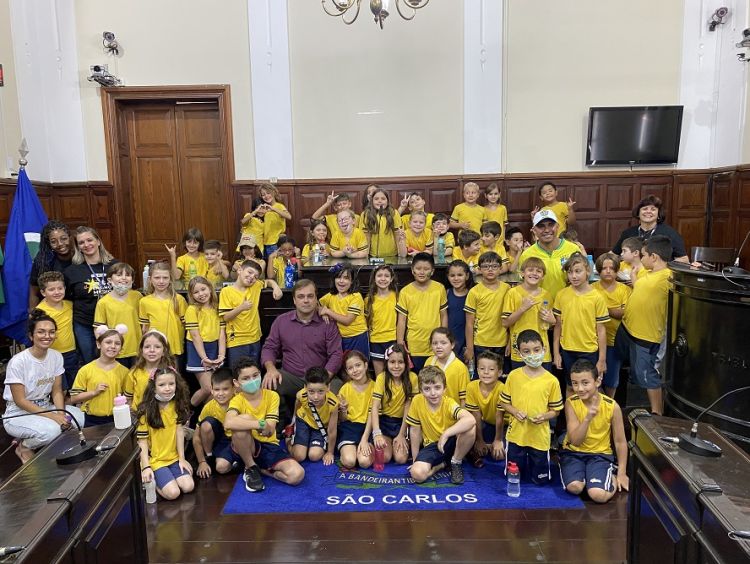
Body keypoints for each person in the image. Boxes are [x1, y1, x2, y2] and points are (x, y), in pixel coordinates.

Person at [2, 310, 85, 463]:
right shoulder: (18, 361)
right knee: (51, 431)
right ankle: (25, 446)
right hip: (18, 412)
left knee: (79, 418)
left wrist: (60, 413)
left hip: (46, 405)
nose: (47, 336)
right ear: (31, 336)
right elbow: (20, 401)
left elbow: (57, 391)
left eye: (51, 332)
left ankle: (54, 450)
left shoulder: (56, 356)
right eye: (41, 332)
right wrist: (54, 417)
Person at [261, 279, 343, 426]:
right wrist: (271, 369)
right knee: (270, 383)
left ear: (316, 299)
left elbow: (336, 355)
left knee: (338, 391)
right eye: (301, 296)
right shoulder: (281, 321)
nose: (306, 300)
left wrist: (322, 381)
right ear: (294, 300)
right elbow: (269, 347)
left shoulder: (328, 323)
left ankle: (326, 436)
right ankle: (282, 430)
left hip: (323, 377)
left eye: (310, 296)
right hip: (292, 377)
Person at [225, 357, 304, 492]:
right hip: (245, 444)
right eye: (246, 378)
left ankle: (260, 469)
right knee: (242, 424)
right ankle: (250, 467)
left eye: (255, 376)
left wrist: (260, 425)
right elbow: (228, 422)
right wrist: (257, 424)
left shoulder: (272, 396)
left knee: (297, 475)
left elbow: (269, 430)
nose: (252, 381)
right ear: (236, 383)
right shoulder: (237, 400)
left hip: (269, 445)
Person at [615, 235, 673, 415]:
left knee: (646, 375)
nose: (642, 258)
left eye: (644, 255)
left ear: (654, 257)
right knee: (623, 363)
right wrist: (633, 276)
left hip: (645, 336)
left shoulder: (667, 277)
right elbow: (640, 283)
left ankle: (657, 413)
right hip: (627, 328)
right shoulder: (647, 272)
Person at [499, 329, 564, 485]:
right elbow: (503, 402)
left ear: (544, 349)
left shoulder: (551, 380)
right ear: (520, 354)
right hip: (516, 435)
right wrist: (514, 411)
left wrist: (544, 416)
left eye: (536, 350)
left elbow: (556, 410)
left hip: (539, 436)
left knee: (540, 481)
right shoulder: (513, 376)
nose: (533, 355)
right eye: (526, 351)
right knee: (513, 477)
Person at [560, 359, 629, 503]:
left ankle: (611, 476)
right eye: (575, 383)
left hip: (600, 455)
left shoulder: (612, 406)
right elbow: (575, 441)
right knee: (575, 487)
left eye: (585, 383)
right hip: (573, 452)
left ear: (597, 381)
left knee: (597, 495)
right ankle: (585, 476)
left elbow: (620, 441)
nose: (579, 388)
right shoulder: (571, 403)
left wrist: (622, 473)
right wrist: (587, 418)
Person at [406, 365, 476, 485]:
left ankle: (455, 462)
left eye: (437, 388)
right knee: (417, 474)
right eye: (427, 389)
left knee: (470, 428)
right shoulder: (417, 401)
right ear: (421, 390)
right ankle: (441, 465)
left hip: (451, 442)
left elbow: (470, 419)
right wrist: (415, 459)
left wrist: (446, 434)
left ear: (444, 389)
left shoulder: (448, 403)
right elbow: (414, 431)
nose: (433, 393)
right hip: (432, 446)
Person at [553, 253, 609, 391]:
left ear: (588, 271)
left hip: (589, 350)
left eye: (578, 271)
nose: (573, 276)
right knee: (571, 386)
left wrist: (602, 360)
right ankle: (571, 413)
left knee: (591, 388)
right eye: (570, 272)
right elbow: (558, 326)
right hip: (567, 349)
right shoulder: (562, 295)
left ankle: (590, 413)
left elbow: (601, 330)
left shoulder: (597, 297)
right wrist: (556, 353)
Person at [137, 368, 195, 501]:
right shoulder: (146, 411)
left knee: (189, 486)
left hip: (173, 458)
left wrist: (182, 458)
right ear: (154, 387)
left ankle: (168, 477)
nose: (167, 388)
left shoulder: (178, 405)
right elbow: (142, 442)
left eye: (171, 384)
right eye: (162, 385)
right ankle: (150, 483)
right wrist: (146, 467)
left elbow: (180, 433)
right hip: (156, 461)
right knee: (173, 493)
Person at [64, 226, 118, 364]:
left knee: (115, 360)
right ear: (78, 247)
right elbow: (67, 298)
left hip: (113, 322)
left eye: (90, 240)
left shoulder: (116, 266)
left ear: (98, 241)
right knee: (90, 361)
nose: (86, 245)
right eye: (81, 242)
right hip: (85, 324)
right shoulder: (72, 271)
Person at [220, 259, 283, 366]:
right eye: (249, 272)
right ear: (239, 270)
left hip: (255, 338)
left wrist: (276, 287)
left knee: (255, 371)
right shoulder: (226, 291)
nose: (252, 277)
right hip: (237, 341)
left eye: (256, 276)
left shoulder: (255, 286)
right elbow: (226, 317)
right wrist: (241, 308)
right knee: (239, 373)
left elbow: (268, 281)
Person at [396, 253, 448, 372]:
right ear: (412, 270)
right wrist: (400, 342)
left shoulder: (439, 288)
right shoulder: (405, 292)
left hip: (436, 344)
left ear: (433, 271)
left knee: (435, 378)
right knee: (416, 378)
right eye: (418, 268)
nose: (422, 272)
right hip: (415, 344)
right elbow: (402, 319)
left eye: (426, 269)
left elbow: (444, 315)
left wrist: (445, 337)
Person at [67, 325, 129, 426]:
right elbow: (74, 398)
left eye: (117, 343)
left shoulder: (124, 371)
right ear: (98, 344)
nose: (113, 346)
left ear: (121, 348)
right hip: (91, 419)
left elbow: (127, 397)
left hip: (116, 418)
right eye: (108, 342)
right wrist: (94, 392)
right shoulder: (85, 370)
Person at [502, 257, 555, 371]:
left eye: (538, 271)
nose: (534, 273)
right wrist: (522, 309)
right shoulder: (513, 293)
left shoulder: (547, 295)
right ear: (522, 273)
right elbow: (505, 322)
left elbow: (550, 324)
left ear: (543, 276)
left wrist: (552, 321)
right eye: (530, 270)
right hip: (520, 351)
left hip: (542, 352)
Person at [592, 253, 632, 397]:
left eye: (611, 268)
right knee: (594, 377)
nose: (608, 271)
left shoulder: (625, 290)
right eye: (604, 268)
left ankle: (609, 406)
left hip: (616, 341)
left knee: (612, 379)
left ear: (617, 270)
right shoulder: (592, 288)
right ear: (598, 270)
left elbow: (625, 313)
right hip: (592, 341)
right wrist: (612, 310)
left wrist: (603, 310)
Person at [518, 209, 581, 301]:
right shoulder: (527, 255)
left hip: (568, 305)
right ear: (534, 230)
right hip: (538, 307)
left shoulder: (573, 250)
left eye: (551, 225)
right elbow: (523, 285)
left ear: (558, 226)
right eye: (541, 226)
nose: (547, 230)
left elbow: (582, 281)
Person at [371, 344, 417, 465]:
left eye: (400, 362)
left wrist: (402, 434)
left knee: (400, 459)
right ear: (387, 363)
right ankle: (382, 443)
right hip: (384, 422)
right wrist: (377, 433)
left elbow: (408, 407)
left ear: (406, 363)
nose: (396, 366)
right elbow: (375, 407)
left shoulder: (412, 378)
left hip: (402, 423)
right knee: (384, 458)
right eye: (392, 362)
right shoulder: (382, 378)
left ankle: (400, 442)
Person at [185, 276, 227, 407]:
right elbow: (195, 336)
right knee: (208, 388)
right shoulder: (192, 309)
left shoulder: (217, 307)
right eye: (196, 292)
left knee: (214, 390)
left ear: (209, 288)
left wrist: (221, 355)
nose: (201, 294)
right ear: (191, 295)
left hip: (214, 348)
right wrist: (204, 358)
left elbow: (222, 334)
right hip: (198, 350)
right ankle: (186, 412)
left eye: (203, 289)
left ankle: (205, 416)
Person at [464, 252, 511, 365]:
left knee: (500, 376)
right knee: (484, 374)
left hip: (502, 342)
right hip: (481, 342)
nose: (490, 270)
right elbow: (469, 323)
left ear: (500, 268)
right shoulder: (474, 292)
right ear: (479, 269)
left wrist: (510, 341)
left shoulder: (507, 289)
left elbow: (511, 319)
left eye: (494, 266)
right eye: (485, 267)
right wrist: (470, 348)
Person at [611, 195, 688, 263]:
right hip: (630, 275)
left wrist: (663, 266)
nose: (648, 212)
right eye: (645, 209)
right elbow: (614, 255)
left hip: (658, 276)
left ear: (659, 214)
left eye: (653, 209)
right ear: (638, 213)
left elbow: (684, 259)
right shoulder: (628, 233)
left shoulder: (670, 233)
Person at [93, 262, 141, 368]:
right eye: (119, 275)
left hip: (137, 350)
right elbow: (98, 328)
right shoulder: (103, 302)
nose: (124, 278)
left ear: (132, 280)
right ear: (110, 280)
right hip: (116, 351)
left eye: (127, 275)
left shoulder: (138, 297)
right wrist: (105, 348)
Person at [36, 271, 79, 389]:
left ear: (65, 288)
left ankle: (72, 406)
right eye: (51, 289)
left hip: (71, 353)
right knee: (59, 388)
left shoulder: (70, 305)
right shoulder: (40, 312)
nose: (57, 292)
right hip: (51, 354)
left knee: (74, 385)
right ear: (43, 292)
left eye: (60, 288)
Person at [193, 368, 238, 478]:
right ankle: (210, 457)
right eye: (217, 390)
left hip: (240, 439)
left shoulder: (240, 401)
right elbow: (196, 437)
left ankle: (242, 462)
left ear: (234, 389)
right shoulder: (209, 407)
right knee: (221, 468)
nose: (221, 393)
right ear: (212, 390)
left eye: (225, 389)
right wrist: (201, 462)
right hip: (223, 440)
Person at [290, 366, 339, 466]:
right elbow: (297, 403)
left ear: (328, 387)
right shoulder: (301, 394)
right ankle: (288, 439)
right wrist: (294, 419)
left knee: (314, 456)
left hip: (320, 428)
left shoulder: (333, 403)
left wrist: (330, 452)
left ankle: (308, 443)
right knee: (299, 456)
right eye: (311, 391)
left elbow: (332, 430)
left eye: (321, 391)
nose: (316, 397)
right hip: (303, 422)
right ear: (305, 387)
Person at [139, 261, 187, 359]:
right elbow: (145, 328)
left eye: (165, 278)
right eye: (157, 278)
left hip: (175, 349)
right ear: (150, 279)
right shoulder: (144, 301)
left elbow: (185, 324)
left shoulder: (179, 299)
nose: (161, 281)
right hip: (154, 350)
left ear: (170, 279)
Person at [465, 350, 505, 467]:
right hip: (485, 422)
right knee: (479, 449)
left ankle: (495, 442)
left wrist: (498, 440)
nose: (486, 372)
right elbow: (476, 414)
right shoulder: (471, 386)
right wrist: (479, 440)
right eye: (482, 369)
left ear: (499, 372)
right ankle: (481, 444)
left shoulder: (502, 388)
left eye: (491, 369)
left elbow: (500, 416)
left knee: (499, 455)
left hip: (503, 425)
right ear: (477, 370)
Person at [318, 264, 369, 358]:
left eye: (346, 278)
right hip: (340, 338)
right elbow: (318, 304)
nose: (341, 281)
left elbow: (347, 320)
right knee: (344, 367)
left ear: (352, 281)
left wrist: (328, 311)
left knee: (359, 365)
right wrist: (322, 313)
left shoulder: (356, 297)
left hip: (357, 337)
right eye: (338, 277)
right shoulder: (331, 295)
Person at [336, 351, 375, 469]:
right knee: (349, 462)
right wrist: (343, 410)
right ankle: (350, 450)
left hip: (368, 427)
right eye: (350, 368)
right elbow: (342, 420)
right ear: (347, 371)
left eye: (358, 365)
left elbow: (373, 416)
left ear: (366, 365)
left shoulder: (375, 387)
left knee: (364, 462)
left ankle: (362, 449)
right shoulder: (345, 388)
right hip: (350, 427)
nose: (355, 370)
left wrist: (364, 440)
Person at [124, 330, 177, 411]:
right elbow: (128, 399)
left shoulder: (170, 373)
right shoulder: (134, 373)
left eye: (157, 347)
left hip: (164, 417)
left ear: (164, 351)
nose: (152, 350)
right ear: (141, 351)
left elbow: (178, 397)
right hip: (140, 418)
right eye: (147, 347)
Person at [29, 220, 74, 310]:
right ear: (48, 244)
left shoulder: (82, 257)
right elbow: (34, 292)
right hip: (52, 310)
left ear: (70, 237)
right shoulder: (43, 261)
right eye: (54, 241)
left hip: (78, 310)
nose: (60, 244)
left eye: (64, 238)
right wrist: (32, 313)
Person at [364, 264, 398, 376]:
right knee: (380, 376)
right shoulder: (368, 299)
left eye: (386, 276)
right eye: (379, 276)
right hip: (376, 341)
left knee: (394, 374)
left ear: (391, 278)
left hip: (393, 340)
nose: (383, 279)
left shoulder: (397, 297)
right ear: (374, 278)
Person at [425, 328, 470, 405]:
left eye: (443, 343)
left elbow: (464, 399)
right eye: (435, 343)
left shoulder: (460, 367)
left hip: (452, 413)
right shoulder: (428, 362)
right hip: (431, 412)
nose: (438, 346)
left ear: (452, 345)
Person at [360, 188, 407, 258]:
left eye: (383, 199)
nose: (380, 201)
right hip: (372, 256)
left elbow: (397, 235)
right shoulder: (365, 214)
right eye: (376, 199)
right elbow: (366, 237)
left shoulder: (394, 213)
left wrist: (401, 255)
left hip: (392, 255)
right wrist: (365, 256)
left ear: (387, 201)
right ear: (371, 201)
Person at [445, 260, 472, 360]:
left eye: (460, 275)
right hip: (450, 338)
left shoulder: (472, 294)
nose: (456, 278)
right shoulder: (446, 293)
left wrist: (470, 348)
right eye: (452, 275)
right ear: (448, 277)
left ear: (467, 276)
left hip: (467, 340)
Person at [258, 183, 292, 258]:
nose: (266, 196)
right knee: (269, 265)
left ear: (273, 192)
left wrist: (273, 209)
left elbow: (289, 216)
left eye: (268, 193)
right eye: (263, 194)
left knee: (277, 264)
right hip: (266, 242)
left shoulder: (279, 206)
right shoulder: (264, 208)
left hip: (276, 242)